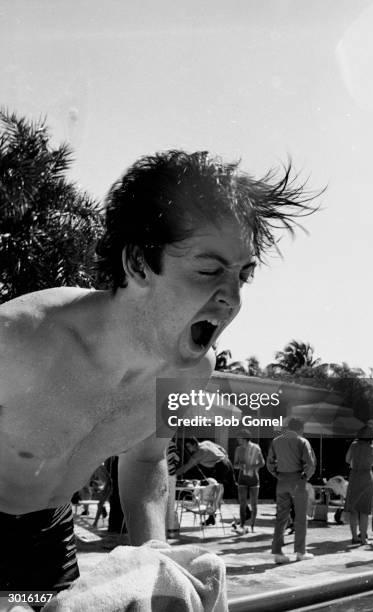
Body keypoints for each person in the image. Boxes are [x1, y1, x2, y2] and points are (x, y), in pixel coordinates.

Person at [0, 149, 316, 593]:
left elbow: (147, 460)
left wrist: (157, 557)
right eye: (209, 270)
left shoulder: (189, 370)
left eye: (242, 276)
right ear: (137, 263)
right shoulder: (18, 339)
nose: (232, 298)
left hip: (51, 536)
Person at [267, 418, 316, 563]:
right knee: (300, 518)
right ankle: (301, 551)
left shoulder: (276, 441)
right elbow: (310, 464)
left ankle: (278, 553)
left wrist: (278, 474)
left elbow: (270, 463)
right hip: (298, 481)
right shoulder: (302, 441)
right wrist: (305, 477)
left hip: (281, 481)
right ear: (300, 429)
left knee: (281, 518)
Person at [176, 437, 236, 525]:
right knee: (233, 487)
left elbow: (186, 468)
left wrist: (173, 474)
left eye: (189, 446)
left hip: (220, 466)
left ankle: (212, 516)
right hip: (227, 462)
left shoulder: (199, 453)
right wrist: (225, 457)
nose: (189, 449)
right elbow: (221, 448)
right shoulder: (206, 442)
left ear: (195, 444)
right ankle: (246, 511)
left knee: (214, 491)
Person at [344, 425, 373, 545]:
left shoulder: (353, 445)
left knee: (353, 509)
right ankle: (363, 538)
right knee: (364, 510)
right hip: (367, 477)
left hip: (354, 476)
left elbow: (347, 459)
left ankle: (354, 537)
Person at [233, 429, 265, 533]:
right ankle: (242, 525)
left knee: (254, 504)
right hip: (242, 479)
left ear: (244, 438)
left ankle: (252, 526)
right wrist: (240, 466)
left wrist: (252, 466)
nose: (237, 439)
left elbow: (262, 463)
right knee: (242, 503)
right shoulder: (238, 449)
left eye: (239, 438)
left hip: (254, 479)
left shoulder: (256, 448)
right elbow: (235, 465)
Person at [166, 438, 180, 537]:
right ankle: (170, 529)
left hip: (157, 475)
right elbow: (177, 459)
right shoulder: (171, 444)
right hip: (170, 475)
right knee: (170, 504)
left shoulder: (155, 444)